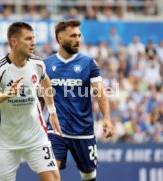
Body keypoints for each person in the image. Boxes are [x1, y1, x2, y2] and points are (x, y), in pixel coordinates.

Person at [0, 22, 62, 181]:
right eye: (28, 39)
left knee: (53, 178)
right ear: (14, 42)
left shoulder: (37, 63)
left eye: (33, 38)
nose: (33, 43)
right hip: (5, 141)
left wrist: (52, 112)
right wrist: (5, 95)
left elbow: (46, 83)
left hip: (35, 136)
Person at [44, 20, 114, 181]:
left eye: (79, 35)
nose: (78, 39)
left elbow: (100, 93)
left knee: (88, 177)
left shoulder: (88, 63)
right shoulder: (46, 65)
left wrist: (107, 119)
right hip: (56, 130)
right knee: (50, 172)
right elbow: (42, 97)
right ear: (60, 39)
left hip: (83, 132)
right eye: (73, 36)